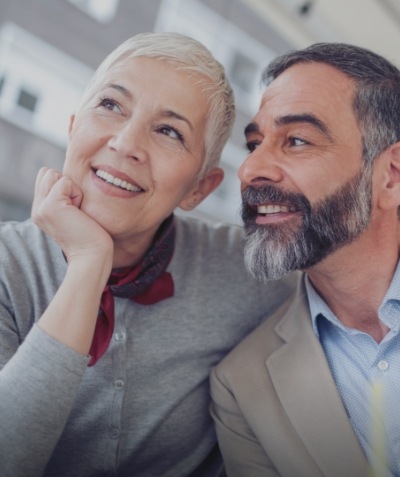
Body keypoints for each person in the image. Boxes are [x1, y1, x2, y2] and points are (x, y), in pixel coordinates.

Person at [0, 32, 298, 477]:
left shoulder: (245, 270)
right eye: (110, 105)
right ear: (71, 127)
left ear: (199, 188)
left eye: (168, 131)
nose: (125, 143)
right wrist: (87, 264)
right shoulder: (7, 265)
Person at [210, 42, 400, 477]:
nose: (250, 170)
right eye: (254, 143)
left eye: (296, 140)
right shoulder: (241, 390)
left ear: (390, 176)